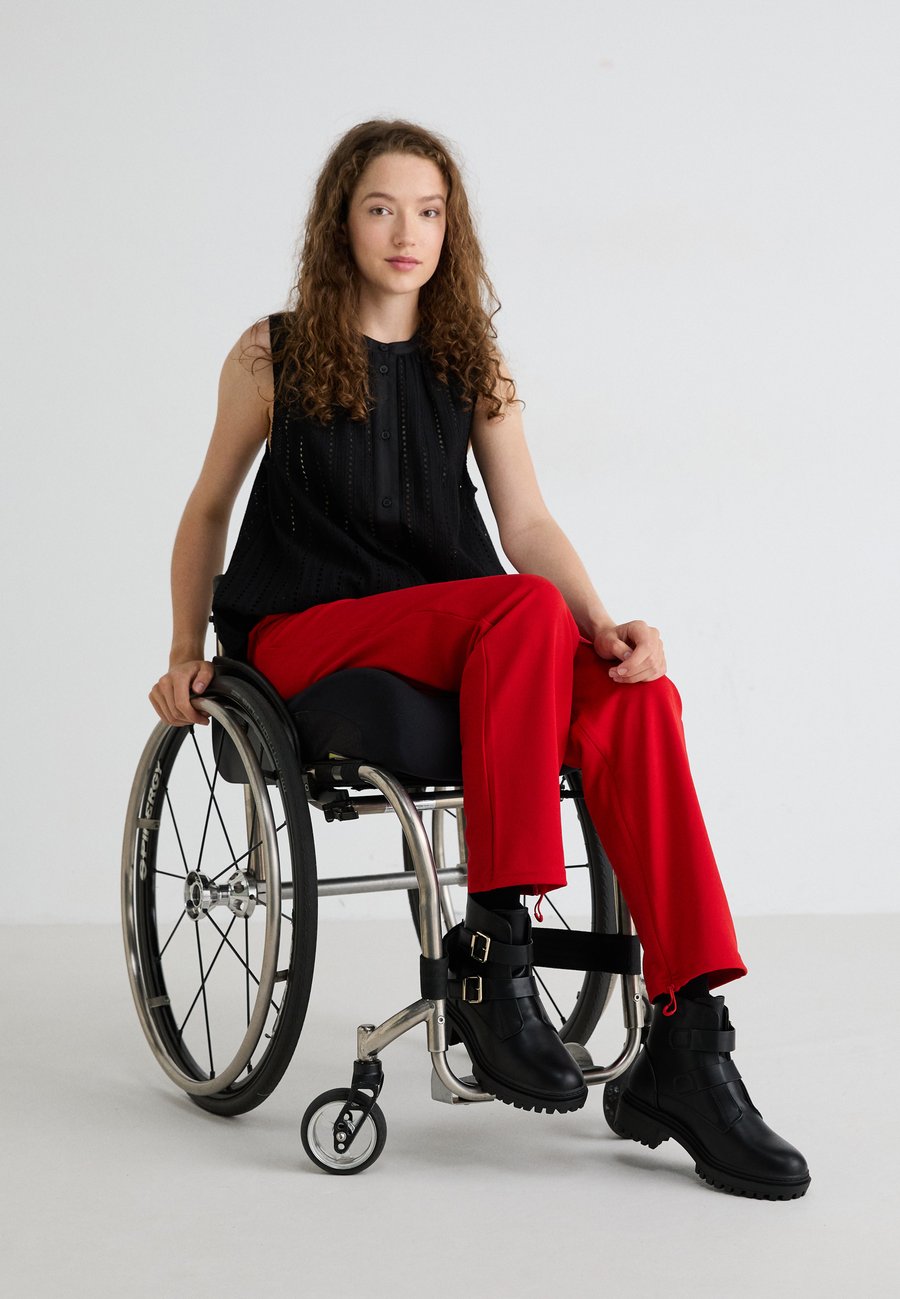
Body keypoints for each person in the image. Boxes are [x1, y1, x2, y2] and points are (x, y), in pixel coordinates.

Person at [149, 118, 810, 1199]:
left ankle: (688, 1044)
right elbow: (209, 506)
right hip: (311, 630)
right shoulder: (275, 352)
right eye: (381, 209)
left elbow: (528, 525)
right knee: (519, 612)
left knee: (639, 700)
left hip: (475, 626)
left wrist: (604, 628)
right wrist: (184, 648)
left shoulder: (471, 361)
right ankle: (496, 949)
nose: (406, 232)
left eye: (428, 211)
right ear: (341, 223)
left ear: (450, 228)